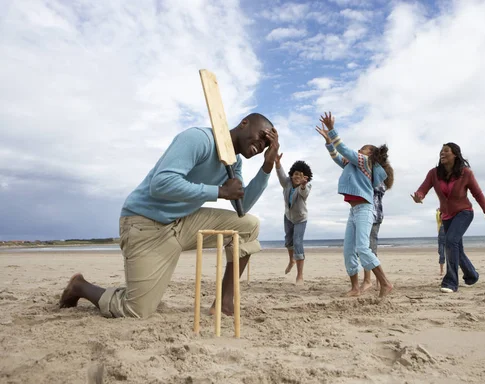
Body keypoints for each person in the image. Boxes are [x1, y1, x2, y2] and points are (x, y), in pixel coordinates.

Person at [59, 113, 280, 318]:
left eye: (266, 144)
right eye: (262, 136)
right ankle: (79, 286)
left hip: (182, 222)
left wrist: (268, 165)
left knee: (248, 226)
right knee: (135, 310)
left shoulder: (234, 163)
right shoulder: (199, 139)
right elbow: (161, 184)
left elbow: (242, 206)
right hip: (144, 223)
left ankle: (224, 302)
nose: (261, 145)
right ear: (244, 124)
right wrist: (219, 191)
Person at [316, 111, 394, 297]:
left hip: (365, 210)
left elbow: (343, 149)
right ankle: (355, 288)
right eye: (360, 149)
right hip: (353, 212)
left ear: (371, 155)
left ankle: (385, 283)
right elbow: (337, 156)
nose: (359, 151)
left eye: (363, 148)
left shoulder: (365, 162)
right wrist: (328, 142)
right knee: (348, 251)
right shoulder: (353, 164)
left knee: (362, 248)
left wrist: (333, 130)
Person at [411, 142, 485, 293]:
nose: (442, 153)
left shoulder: (465, 173)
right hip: (446, 216)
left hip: (464, 213)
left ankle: (451, 282)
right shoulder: (434, 173)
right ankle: (472, 275)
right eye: (441, 151)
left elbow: (477, 193)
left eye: (446, 151)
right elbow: (422, 189)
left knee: (450, 242)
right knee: (455, 247)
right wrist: (418, 197)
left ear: (455, 154)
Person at [275, 154, 313, 285]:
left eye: (301, 175)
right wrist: (278, 163)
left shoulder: (306, 186)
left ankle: (300, 276)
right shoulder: (287, 183)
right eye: (296, 174)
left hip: (301, 219)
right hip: (288, 217)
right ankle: (291, 260)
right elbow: (280, 175)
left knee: (297, 243)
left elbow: (304, 193)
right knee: (288, 242)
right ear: (292, 174)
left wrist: (303, 186)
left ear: (305, 177)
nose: (298, 176)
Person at [361, 181, 391, 291]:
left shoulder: (378, 175)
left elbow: (381, 188)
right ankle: (370, 279)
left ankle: (370, 280)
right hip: (364, 214)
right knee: (365, 247)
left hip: (374, 215)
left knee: (369, 248)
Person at [436, 208, 445, 276]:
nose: (442, 217)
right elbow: (438, 213)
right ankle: (441, 270)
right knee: (441, 254)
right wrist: (439, 210)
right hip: (441, 239)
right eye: (441, 216)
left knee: (451, 255)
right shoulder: (440, 224)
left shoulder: (449, 223)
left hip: (448, 239)